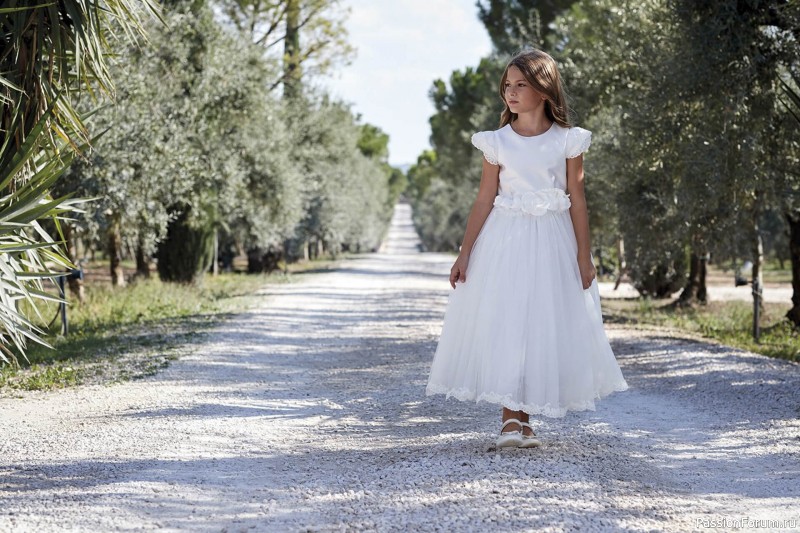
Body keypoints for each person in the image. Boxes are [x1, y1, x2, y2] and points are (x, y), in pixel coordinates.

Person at [425, 49, 629, 448]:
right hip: (505, 241)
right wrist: (465, 253)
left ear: (544, 90)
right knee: (509, 320)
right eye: (508, 85)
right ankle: (509, 420)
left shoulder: (568, 140)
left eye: (521, 85)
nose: (511, 92)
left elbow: (577, 200)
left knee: (539, 324)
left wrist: (583, 256)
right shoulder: (497, 142)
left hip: (553, 242)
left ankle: (526, 419)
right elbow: (484, 199)